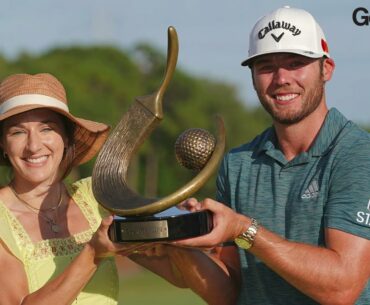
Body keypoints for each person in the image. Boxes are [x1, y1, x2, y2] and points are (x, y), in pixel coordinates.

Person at [134, 6, 370, 305]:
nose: (281, 78)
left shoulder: (358, 155)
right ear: (253, 76)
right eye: (266, 66)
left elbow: (342, 288)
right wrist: (182, 244)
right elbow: (228, 292)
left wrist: (244, 229)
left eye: (296, 63)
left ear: (326, 69)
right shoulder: (238, 163)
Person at [0, 73, 143, 304]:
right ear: (3, 145)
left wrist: (181, 223)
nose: (34, 146)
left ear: (66, 138)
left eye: (46, 129)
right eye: (18, 132)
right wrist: (92, 253)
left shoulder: (98, 195)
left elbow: (175, 271)